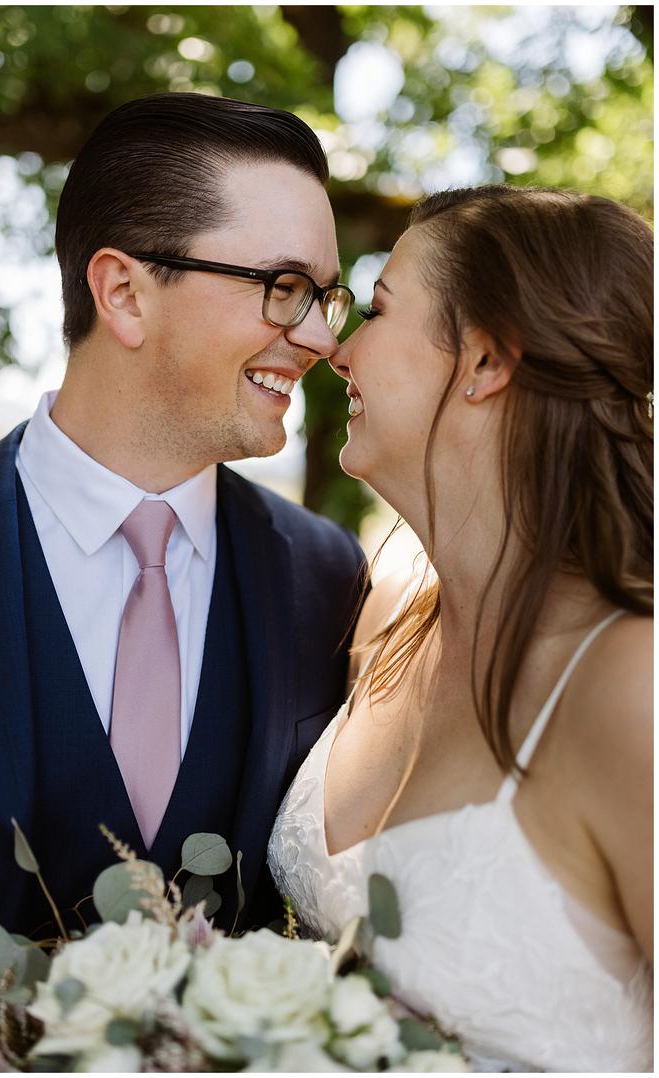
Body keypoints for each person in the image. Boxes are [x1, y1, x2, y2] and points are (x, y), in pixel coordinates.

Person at [0, 93, 367, 963]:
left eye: (327, 296)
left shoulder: (329, 575)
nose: (322, 336)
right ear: (125, 292)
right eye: (285, 289)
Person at [269, 185, 653, 1071]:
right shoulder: (388, 608)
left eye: (375, 312)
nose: (338, 351)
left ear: (482, 361)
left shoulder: (633, 685)